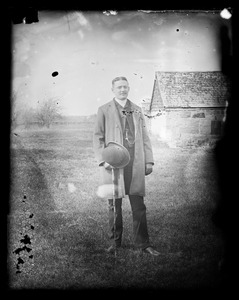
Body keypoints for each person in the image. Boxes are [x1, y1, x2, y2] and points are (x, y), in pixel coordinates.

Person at [93, 76, 160, 256]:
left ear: (129, 88)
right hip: (113, 165)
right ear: (113, 89)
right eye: (119, 87)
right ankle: (114, 244)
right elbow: (97, 137)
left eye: (125, 87)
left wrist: (149, 160)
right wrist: (103, 159)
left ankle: (143, 244)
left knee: (138, 205)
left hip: (135, 164)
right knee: (114, 205)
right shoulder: (104, 110)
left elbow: (145, 138)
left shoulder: (137, 110)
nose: (122, 90)